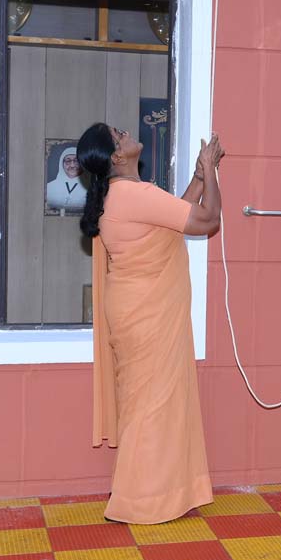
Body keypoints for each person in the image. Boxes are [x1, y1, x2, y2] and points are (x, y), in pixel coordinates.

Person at [77, 122, 224, 524]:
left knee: (150, 403)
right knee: (151, 407)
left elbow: (171, 223)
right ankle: (137, 499)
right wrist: (211, 171)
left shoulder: (126, 195)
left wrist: (199, 177)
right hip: (147, 312)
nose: (127, 133)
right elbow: (208, 220)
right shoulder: (133, 195)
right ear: (116, 156)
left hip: (137, 309)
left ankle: (162, 492)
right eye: (118, 135)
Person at [46, 147, 88, 212]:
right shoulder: (49, 187)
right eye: (68, 161)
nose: (72, 165)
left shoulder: (89, 188)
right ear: (61, 164)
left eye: (76, 161)